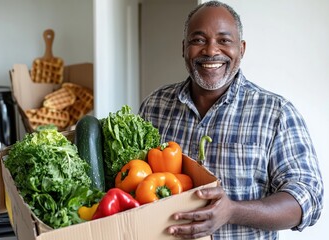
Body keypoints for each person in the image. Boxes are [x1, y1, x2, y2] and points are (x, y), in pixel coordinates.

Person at [138, 1, 324, 239]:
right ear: (184, 47)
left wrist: (232, 211)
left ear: (242, 49)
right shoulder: (154, 105)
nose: (211, 50)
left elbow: (307, 198)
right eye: (198, 40)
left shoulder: (276, 113)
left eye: (224, 40)